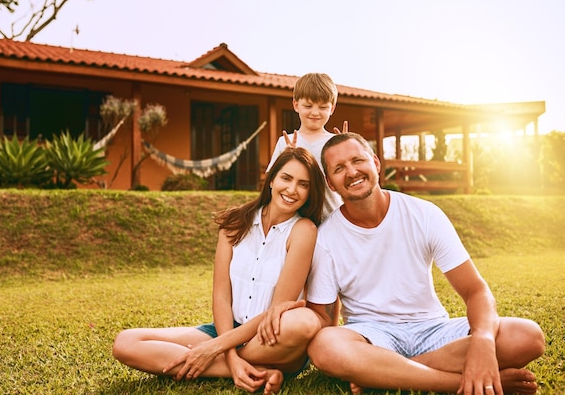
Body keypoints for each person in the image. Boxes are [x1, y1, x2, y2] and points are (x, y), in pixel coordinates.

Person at [304, 132, 545, 395]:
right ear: (330, 182)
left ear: (375, 163)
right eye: (339, 168)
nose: (351, 172)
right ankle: (460, 384)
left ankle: (382, 376)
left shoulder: (424, 214)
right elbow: (325, 325)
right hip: (373, 337)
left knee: (527, 335)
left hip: (434, 331)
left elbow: (475, 290)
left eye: (357, 160)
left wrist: (483, 342)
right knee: (324, 346)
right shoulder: (325, 238)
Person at [112, 147, 326, 395]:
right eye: (286, 178)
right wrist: (230, 358)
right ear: (272, 180)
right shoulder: (235, 222)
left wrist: (214, 348)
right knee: (126, 342)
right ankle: (245, 369)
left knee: (302, 323)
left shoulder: (304, 230)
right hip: (227, 330)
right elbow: (222, 296)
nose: (291, 190)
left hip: (273, 338)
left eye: (303, 184)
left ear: (310, 193)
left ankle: (229, 361)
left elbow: (277, 310)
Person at [267, 72, 343, 220]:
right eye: (308, 106)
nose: (315, 112)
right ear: (296, 105)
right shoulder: (285, 141)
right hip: (295, 221)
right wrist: (287, 158)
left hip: (332, 219)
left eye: (323, 107)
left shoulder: (336, 142)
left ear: (332, 109)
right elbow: (272, 180)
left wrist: (346, 151)